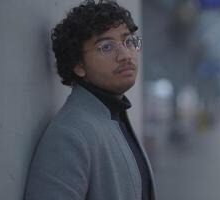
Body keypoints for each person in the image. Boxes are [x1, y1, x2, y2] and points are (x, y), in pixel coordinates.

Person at [24, 1, 155, 200]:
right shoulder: (69, 135)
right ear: (78, 65)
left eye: (128, 41)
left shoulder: (114, 117)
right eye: (107, 47)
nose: (125, 55)